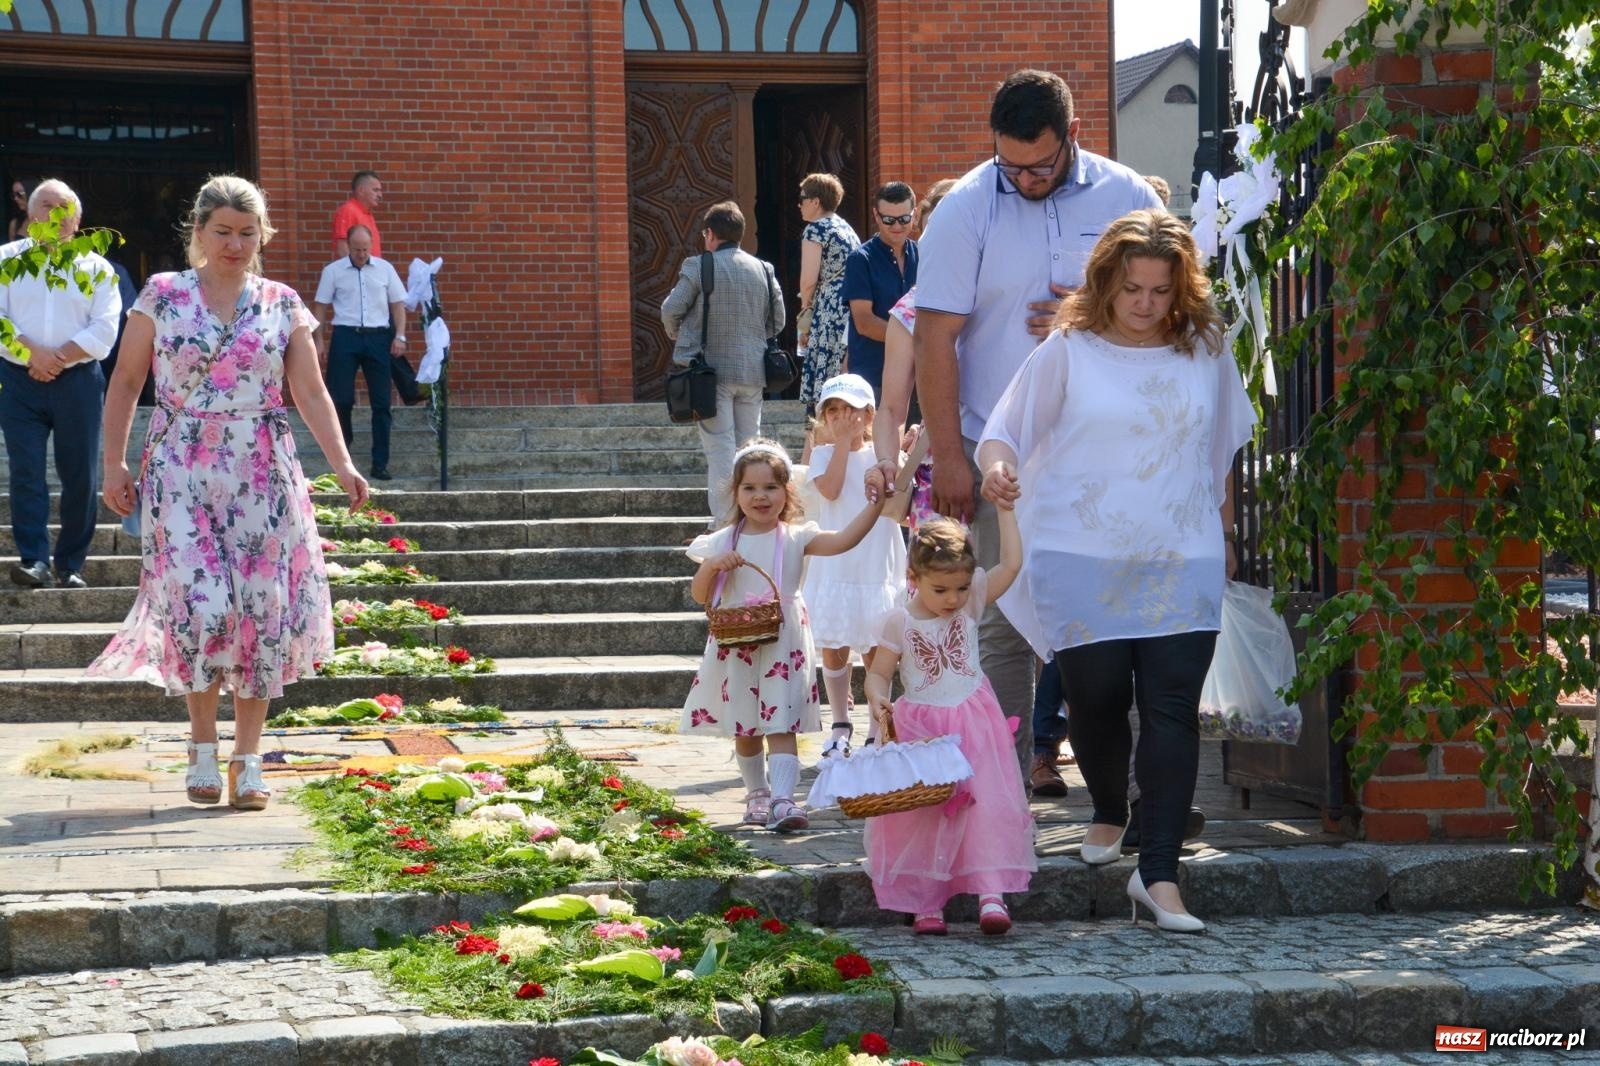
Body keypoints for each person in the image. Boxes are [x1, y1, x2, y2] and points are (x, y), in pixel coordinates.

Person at [977, 208, 1255, 933]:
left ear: (1181, 289)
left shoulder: (1206, 349)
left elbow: (1219, 454)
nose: (1145, 303)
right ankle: (1107, 805)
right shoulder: (1068, 350)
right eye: (1132, 288)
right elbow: (1004, 432)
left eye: (1161, 290)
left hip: (1181, 553)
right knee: (1095, 698)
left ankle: (1159, 874)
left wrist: (1225, 535)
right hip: (1079, 553)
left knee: (1171, 710)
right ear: (1106, 281)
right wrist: (999, 470)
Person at [909, 69, 1163, 780]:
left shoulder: (1127, 197)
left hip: (1108, 451)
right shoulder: (965, 208)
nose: (1023, 179)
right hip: (999, 449)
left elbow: (1179, 310)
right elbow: (935, 337)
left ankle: (1130, 792)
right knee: (1001, 622)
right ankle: (1004, 790)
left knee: (1116, 617)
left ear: (1073, 134)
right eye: (1010, 166)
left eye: (1040, 166)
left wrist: (1090, 316)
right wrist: (950, 456)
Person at [90, 175, 368, 812]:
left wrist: (343, 463)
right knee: (202, 607)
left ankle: (247, 760)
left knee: (260, 614)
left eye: (247, 233)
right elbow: (126, 381)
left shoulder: (281, 303)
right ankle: (201, 747)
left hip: (262, 471)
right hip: (180, 469)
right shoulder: (162, 295)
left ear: (262, 236)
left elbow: (310, 392)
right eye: (222, 232)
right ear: (199, 232)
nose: (235, 245)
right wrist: (114, 464)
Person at [681, 438, 888, 833]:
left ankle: (783, 799)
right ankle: (756, 794)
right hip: (737, 645)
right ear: (736, 492)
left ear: (788, 491)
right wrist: (712, 567)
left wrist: (875, 507)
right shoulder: (723, 540)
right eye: (750, 488)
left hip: (784, 644)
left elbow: (844, 540)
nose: (760, 496)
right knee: (745, 726)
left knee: (782, 722)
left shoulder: (795, 537)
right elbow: (699, 594)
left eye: (771, 487)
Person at [861, 516, 1035, 935]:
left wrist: (1005, 511)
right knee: (924, 813)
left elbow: (1011, 564)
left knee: (985, 804)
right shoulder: (899, 621)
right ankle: (926, 902)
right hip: (923, 729)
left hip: (974, 722)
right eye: (940, 589)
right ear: (914, 577)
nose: (953, 598)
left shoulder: (972, 601)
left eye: (960, 587)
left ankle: (991, 893)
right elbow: (879, 672)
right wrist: (876, 695)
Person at [0, 179, 121, 590]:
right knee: (26, 471)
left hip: (79, 382)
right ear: (30, 214)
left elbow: (105, 329)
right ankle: (34, 559)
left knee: (81, 475)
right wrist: (32, 354)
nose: (55, 214)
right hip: (18, 380)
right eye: (46, 206)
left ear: (78, 219)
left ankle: (71, 564)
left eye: (64, 207)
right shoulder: (6, 260)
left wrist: (56, 358)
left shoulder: (98, 268)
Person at [802, 373, 905, 760]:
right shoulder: (823, 455)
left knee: (877, 647)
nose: (842, 417)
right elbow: (830, 490)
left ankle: (878, 727)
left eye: (851, 410)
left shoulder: (884, 457)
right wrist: (842, 443)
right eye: (834, 411)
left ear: (870, 415)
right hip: (836, 565)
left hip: (875, 562)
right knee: (834, 645)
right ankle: (840, 722)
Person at [661, 201, 784, 522]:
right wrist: (754, 340)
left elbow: (671, 309)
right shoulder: (764, 269)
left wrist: (679, 336)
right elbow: (778, 320)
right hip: (753, 372)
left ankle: (724, 525)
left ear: (710, 234)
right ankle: (751, 521)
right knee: (749, 451)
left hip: (709, 373)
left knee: (720, 451)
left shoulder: (699, 265)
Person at [313, 223, 411, 481]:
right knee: (340, 398)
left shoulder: (385, 269)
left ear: (371, 246)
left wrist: (400, 335)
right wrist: (319, 341)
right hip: (346, 336)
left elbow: (398, 305)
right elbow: (320, 307)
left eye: (365, 249)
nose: (361, 254)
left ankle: (380, 463)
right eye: (357, 249)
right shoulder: (333, 272)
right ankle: (343, 452)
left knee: (382, 402)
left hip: (379, 337)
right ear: (348, 246)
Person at [840, 182, 918, 401]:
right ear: (876, 215)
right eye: (889, 220)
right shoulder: (860, 259)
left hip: (917, 376)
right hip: (873, 377)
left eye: (904, 219)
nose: (897, 226)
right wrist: (916, 340)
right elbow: (864, 322)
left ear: (914, 214)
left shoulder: (924, 255)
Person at [795, 173, 859, 421]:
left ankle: (821, 427)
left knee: (823, 378)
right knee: (841, 370)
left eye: (802, 198)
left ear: (816, 201)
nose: (799, 204)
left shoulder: (815, 229)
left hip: (829, 308)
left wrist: (804, 319)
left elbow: (808, 282)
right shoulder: (845, 227)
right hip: (849, 307)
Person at [332, 171, 385, 259]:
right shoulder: (348, 211)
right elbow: (343, 249)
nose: (380, 195)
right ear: (361, 190)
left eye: (380, 191)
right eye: (375, 190)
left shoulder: (366, 213)